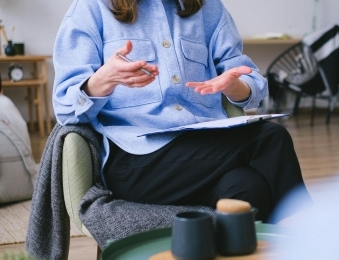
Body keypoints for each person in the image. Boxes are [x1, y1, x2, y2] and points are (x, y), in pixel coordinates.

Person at [52, 0, 311, 223]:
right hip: (137, 162)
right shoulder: (91, 8)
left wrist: (234, 86)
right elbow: (64, 107)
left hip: (207, 153)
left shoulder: (209, 9)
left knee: (248, 188)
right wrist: (102, 80)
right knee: (271, 138)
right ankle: (313, 239)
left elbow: (251, 82)